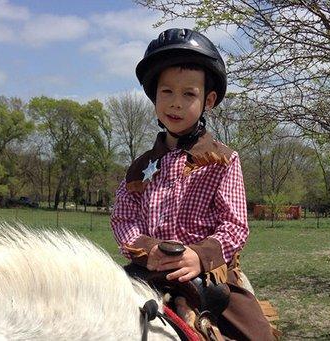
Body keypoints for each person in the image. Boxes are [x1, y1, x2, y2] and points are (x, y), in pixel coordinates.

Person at [111, 28, 277, 340]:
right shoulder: (139, 169)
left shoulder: (223, 161)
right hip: (149, 270)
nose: (175, 103)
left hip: (208, 275)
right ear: (154, 96)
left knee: (259, 334)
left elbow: (235, 224)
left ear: (208, 100)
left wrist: (199, 256)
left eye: (189, 94)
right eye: (167, 92)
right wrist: (147, 250)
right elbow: (124, 218)